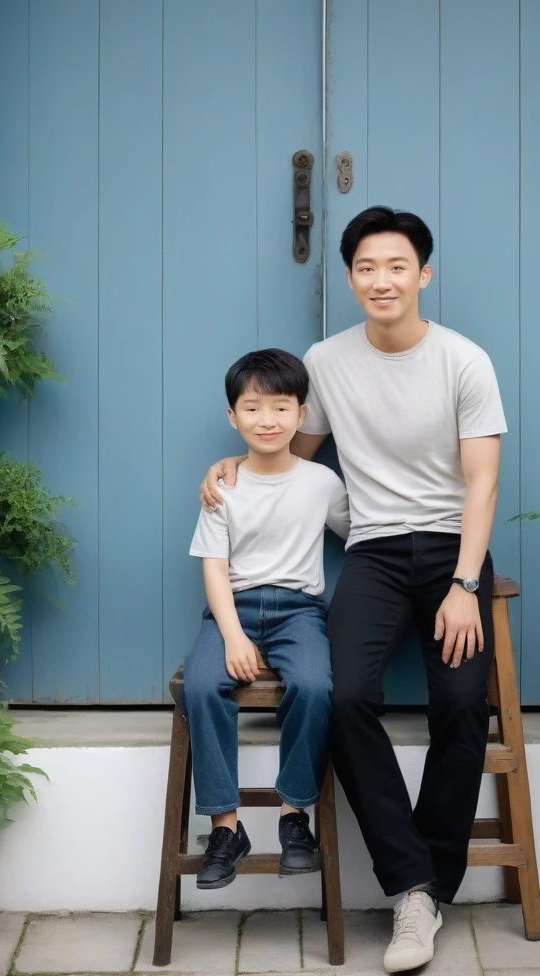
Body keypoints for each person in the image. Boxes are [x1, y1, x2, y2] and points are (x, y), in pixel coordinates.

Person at [200, 207, 505, 970]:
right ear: (349, 277)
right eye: (367, 267)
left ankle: (427, 889)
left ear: (423, 274)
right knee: (344, 697)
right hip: (370, 549)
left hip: (451, 553)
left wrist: (466, 581)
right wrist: (230, 470)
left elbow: (482, 480)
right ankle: (410, 887)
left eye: (397, 266)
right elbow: (290, 454)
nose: (382, 280)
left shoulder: (464, 360)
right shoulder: (326, 360)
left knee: (465, 703)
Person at [184, 348, 350, 891]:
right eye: (253, 408)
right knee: (204, 686)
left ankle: (293, 816)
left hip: (299, 611)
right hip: (234, 607)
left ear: (302, 415)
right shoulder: (222, 487)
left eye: (281, 408)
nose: (267, 420)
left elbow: (362, 534)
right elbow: (213, 569)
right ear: (233, 417)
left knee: (314, 685)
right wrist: (232, 635)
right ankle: (225, 828)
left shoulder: (321, 483)